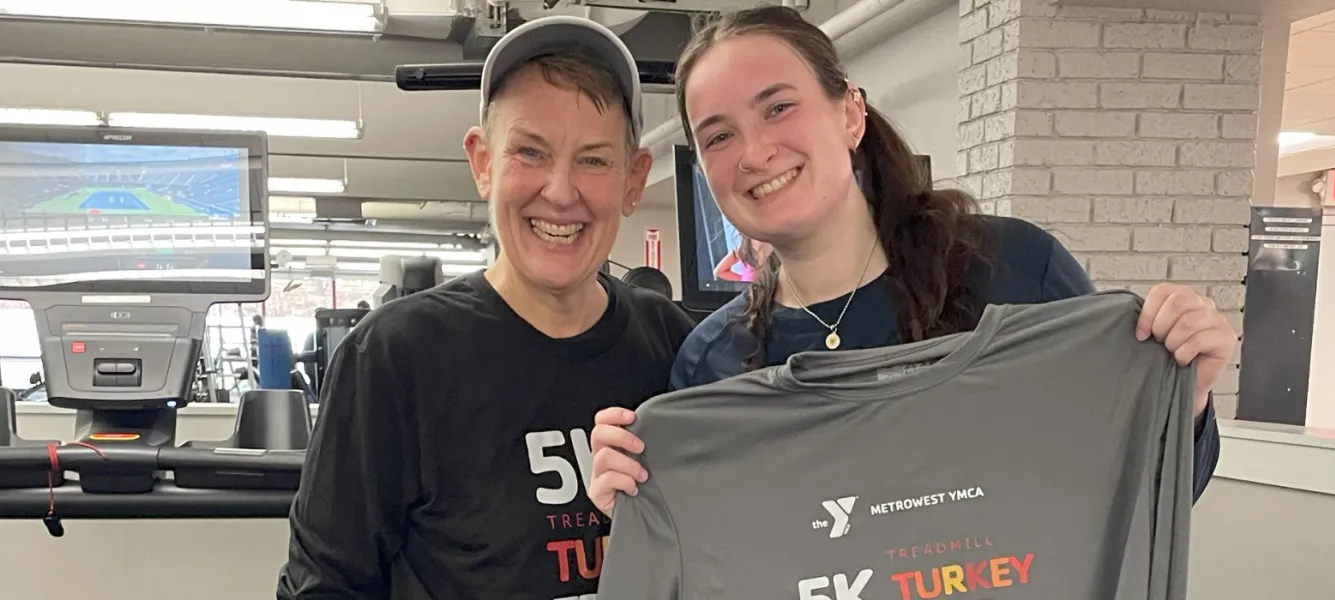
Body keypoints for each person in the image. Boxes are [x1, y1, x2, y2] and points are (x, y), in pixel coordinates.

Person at [586, 5, 1236, 518]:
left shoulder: (1011, 270)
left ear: (850, 114)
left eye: (778, 108)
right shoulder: (711, 362)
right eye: (719, 135)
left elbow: (1132, 498)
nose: (754, 152)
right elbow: (708, 561)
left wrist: (1187, 398)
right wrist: (644, 506)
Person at [276, 16, 695, 600]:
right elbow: (323, 587)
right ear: (482, 163)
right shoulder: (394, 358)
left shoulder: (675, 346)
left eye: (594, 160)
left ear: (634, 179)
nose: (560, 190)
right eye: (530, 151)